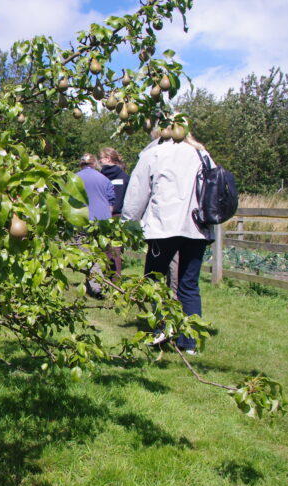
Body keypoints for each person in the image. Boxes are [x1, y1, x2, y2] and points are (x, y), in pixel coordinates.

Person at [121, 130, 213, 355]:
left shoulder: (155, 153)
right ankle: (189, 342)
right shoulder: (202, 155)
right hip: (197, 227)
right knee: (189, 284)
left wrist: (127, 224)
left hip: (163, 227)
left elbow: (137, 193)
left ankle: (162, 332)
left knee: (155, 282)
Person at [76, 153, 115, 297]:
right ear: (95, 164)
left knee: (86, 255)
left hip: (83, 219)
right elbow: (111, 203)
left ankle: (95, 288)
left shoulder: (74, 178)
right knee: (99, 253)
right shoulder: (104, 179)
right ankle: (94, 285)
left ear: (81, 164)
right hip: (102, 221)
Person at [99, 147, 130, 282]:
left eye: (101, 158)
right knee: (116, 250)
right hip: (118, 216)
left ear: (108, 159)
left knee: (104, 249)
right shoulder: (125, 177)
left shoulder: (99, 177)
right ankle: (115, 280)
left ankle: (107, 280)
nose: (99, 160)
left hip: (103, 217)